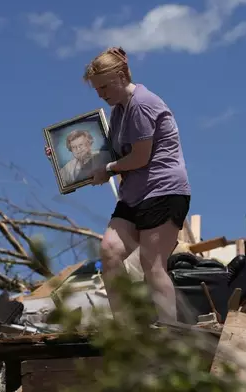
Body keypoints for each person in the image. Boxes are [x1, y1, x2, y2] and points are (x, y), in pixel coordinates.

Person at [45, 47, 191, 326]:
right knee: (110, 251)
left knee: (152, 265)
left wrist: (109, 169)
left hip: (163, 191)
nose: (100, 93)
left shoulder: (142, 104)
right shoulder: (119, 112)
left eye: (104, 86)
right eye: (96, 89)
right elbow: (109, 155)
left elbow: (139, 157)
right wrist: (60, 158)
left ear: (121, 75)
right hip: (134, 195)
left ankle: (170, 331)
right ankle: (126, 329)